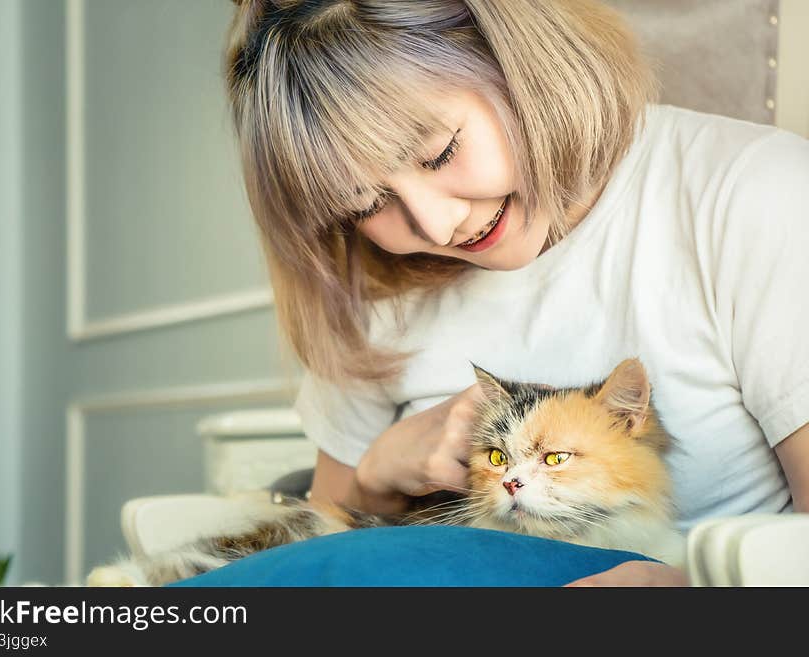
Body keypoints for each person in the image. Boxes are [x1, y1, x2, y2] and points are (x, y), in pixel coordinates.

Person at [223, 0, 809, 586]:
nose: (436, 224)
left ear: (516, 61)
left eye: (439, 152)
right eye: (368, 203)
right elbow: (314, 560)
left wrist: (693, 595)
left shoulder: (757, 194)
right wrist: (375, 478)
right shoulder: (374, 278)